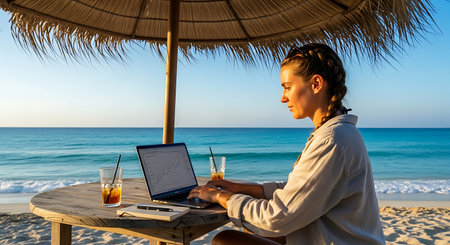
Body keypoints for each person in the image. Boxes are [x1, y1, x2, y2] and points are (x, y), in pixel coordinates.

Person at [188, 43, 385, 245]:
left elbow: (278, 217)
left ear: (316, 84)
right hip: (330, 235)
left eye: (287, 87)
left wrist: (221, 196)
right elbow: (299, 190)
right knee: (250, 229)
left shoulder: (331, 141)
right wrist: (239, 188)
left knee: (225, 241)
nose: (283, 98)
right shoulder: (338, 133)